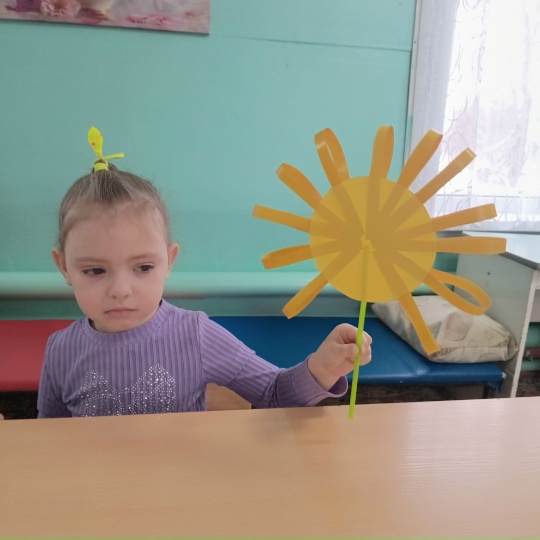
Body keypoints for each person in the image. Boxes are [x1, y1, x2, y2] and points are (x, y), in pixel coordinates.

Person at [37, 128, 372, 418]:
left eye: (143, 267)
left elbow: (274, 392)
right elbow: (47, 437)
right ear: (64, 266)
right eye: (95, 270)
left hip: (181, 474)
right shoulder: (61, 350)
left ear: (169, 261)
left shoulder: (195, 335)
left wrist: (322, 367)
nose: (120, 289)